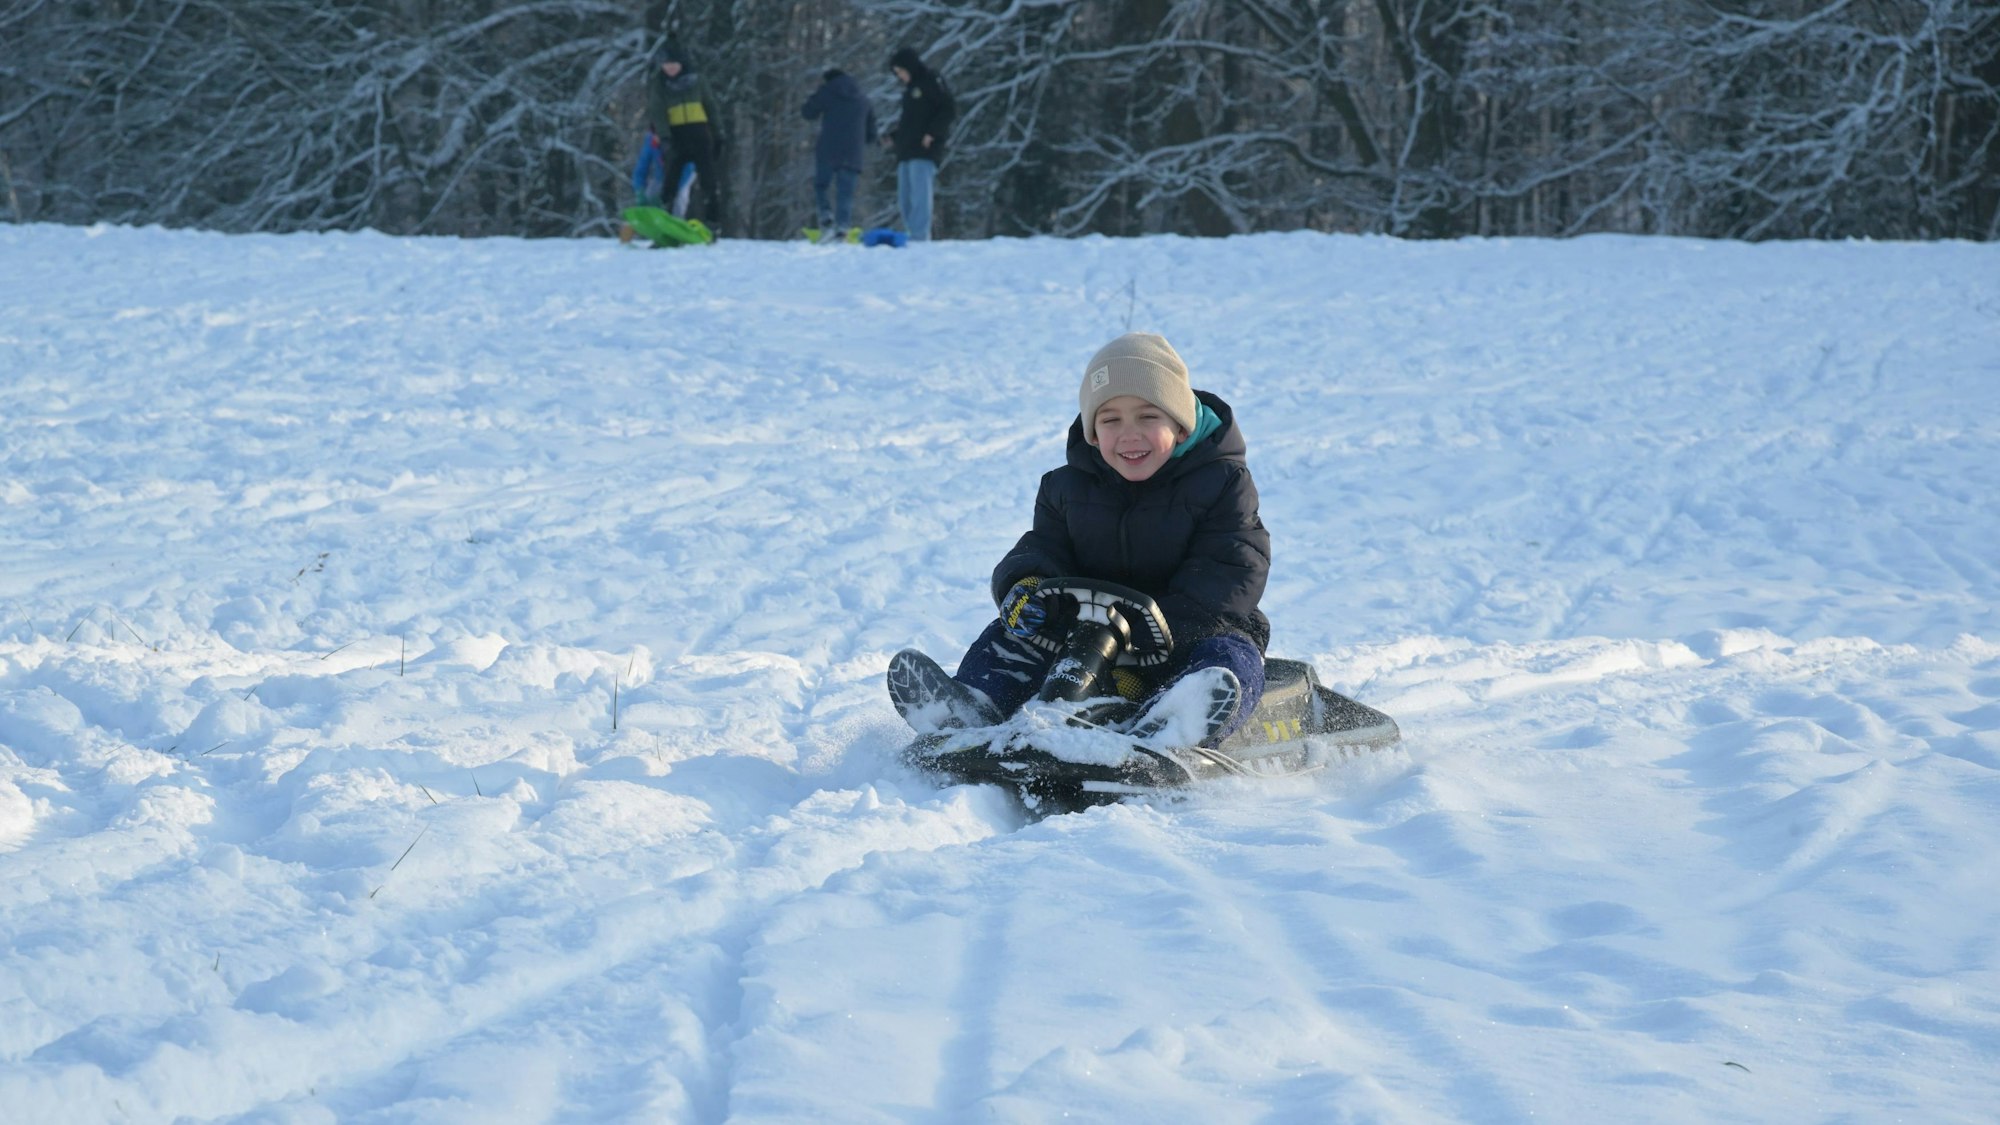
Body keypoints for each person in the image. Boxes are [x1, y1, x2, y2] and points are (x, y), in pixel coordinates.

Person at [900, 333, 1272, 744]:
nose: (1129, 434)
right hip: (1083, 633)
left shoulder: (1222, 484)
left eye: (1149, 417)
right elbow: (1043, 549)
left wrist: (1141, 650)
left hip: (1189, 634)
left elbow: (1231, 569)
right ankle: (971, 707)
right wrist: (1025, 586)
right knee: (1012, 634)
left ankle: (1172, 725)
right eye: (1111, 420)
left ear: (1181, 427)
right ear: (1092, 432)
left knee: (1231, 659)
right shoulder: (1065, 489)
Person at [881, 46, 955, 242]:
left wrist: (932, 133)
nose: (900, 77)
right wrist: (895, 137)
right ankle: (911, 232)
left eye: (901, 72)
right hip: (905, 149)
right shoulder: (909, 92)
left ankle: (920, 236)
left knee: (920, 194)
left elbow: (948, 109)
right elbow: (910, 122)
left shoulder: (932, 81)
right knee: (905, 197)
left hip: (924, 149)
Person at [646, 43, 722, 227]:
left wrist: (719, 132)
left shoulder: (698, 80)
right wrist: (664, 137)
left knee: (708, 177)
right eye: (666, 64)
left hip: (699, 133)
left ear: (682, 63)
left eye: (674, 64)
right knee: (671, 176)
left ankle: (713, 222)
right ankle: (665, 216)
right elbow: (657, 112)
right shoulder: (659, 84)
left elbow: (710, 105)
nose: (670, 68)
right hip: (675, 135)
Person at [801, 68, 876, 242]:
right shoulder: (863, 98)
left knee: (821, 185)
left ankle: (826, 217)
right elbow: (871, 132)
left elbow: (807, 112)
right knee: (845, 193)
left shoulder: (827, 91)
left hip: (828, 148)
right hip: (853, 151)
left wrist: (817, 95)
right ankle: (842, 227)